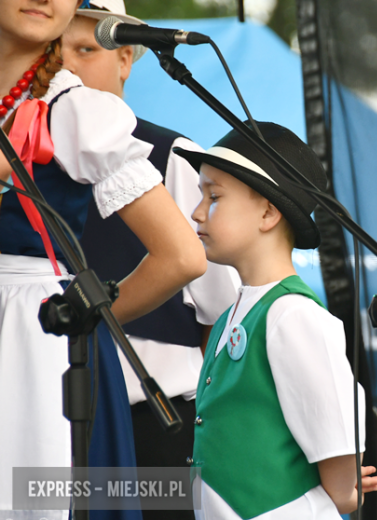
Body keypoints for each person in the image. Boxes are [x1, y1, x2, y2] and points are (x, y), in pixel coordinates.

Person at [0, 0, 207, 518]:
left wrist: (84, 319)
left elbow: (182, 256)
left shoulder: (75, 111)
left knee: (36, 496)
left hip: (36, 340)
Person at [61, 6, 237, 519]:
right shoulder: (23, 161)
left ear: (126, 59)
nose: (68, 69)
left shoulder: (174, 158)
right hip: (47, 426)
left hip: (156, 431)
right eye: (56, 53)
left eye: (86, 50)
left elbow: (224, 315)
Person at [173, 122, 377, 519]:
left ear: (269, 212)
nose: (196, 212)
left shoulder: (293, 315)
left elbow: (342, 486)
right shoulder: (232, 316)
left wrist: (349, 493)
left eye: (214, 196)